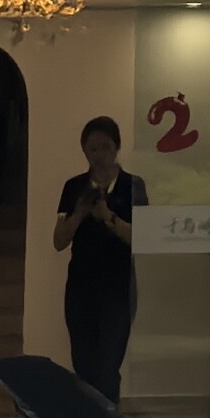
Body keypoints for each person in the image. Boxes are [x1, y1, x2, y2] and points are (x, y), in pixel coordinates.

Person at [52, 115, 147, 402]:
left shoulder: (133, 185)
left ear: (117, 147)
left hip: (118, 287)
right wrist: (80, 213)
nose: (99, 155)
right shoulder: (74, 187)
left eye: (105, 147)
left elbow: (142, 239)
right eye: (92, 149)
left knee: (108, 366)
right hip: (81, 287)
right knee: (84, 365)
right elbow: (59, 241)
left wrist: (108, 217)